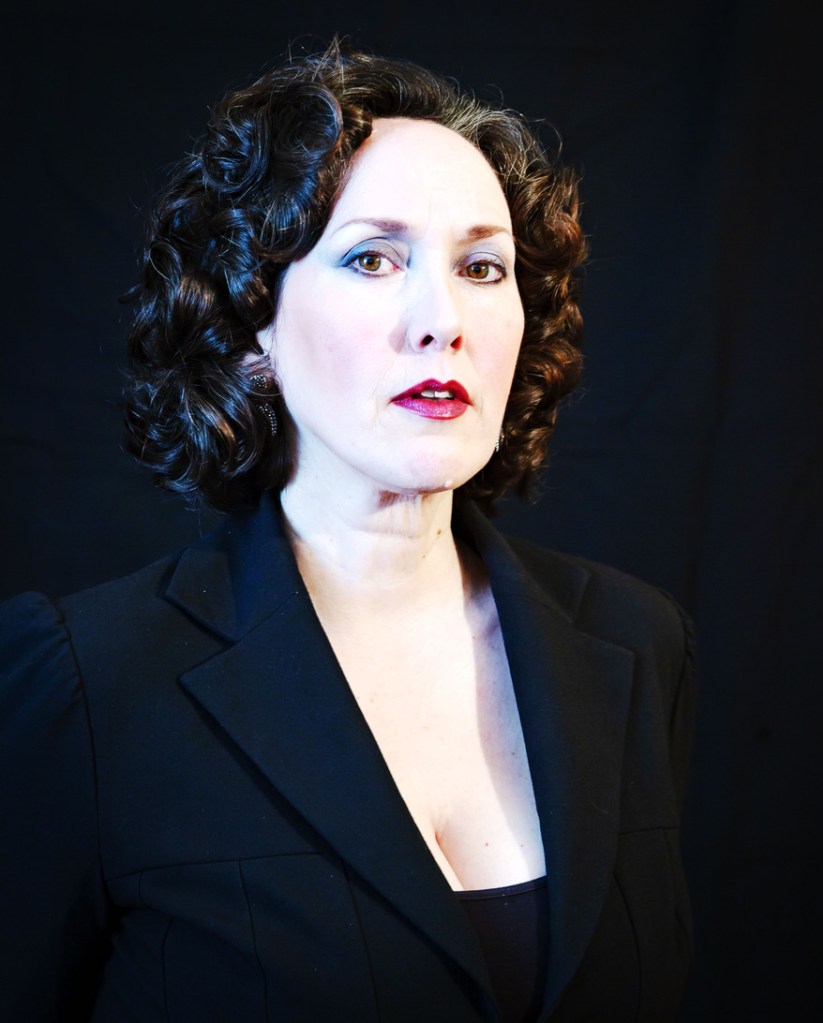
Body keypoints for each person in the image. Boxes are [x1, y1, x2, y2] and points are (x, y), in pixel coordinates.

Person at [0, 43, 695, 1022]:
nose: (442, 320)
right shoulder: (89, 683)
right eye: (373, 258)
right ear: (254, 326)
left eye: (482, 267)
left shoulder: (637, 640)